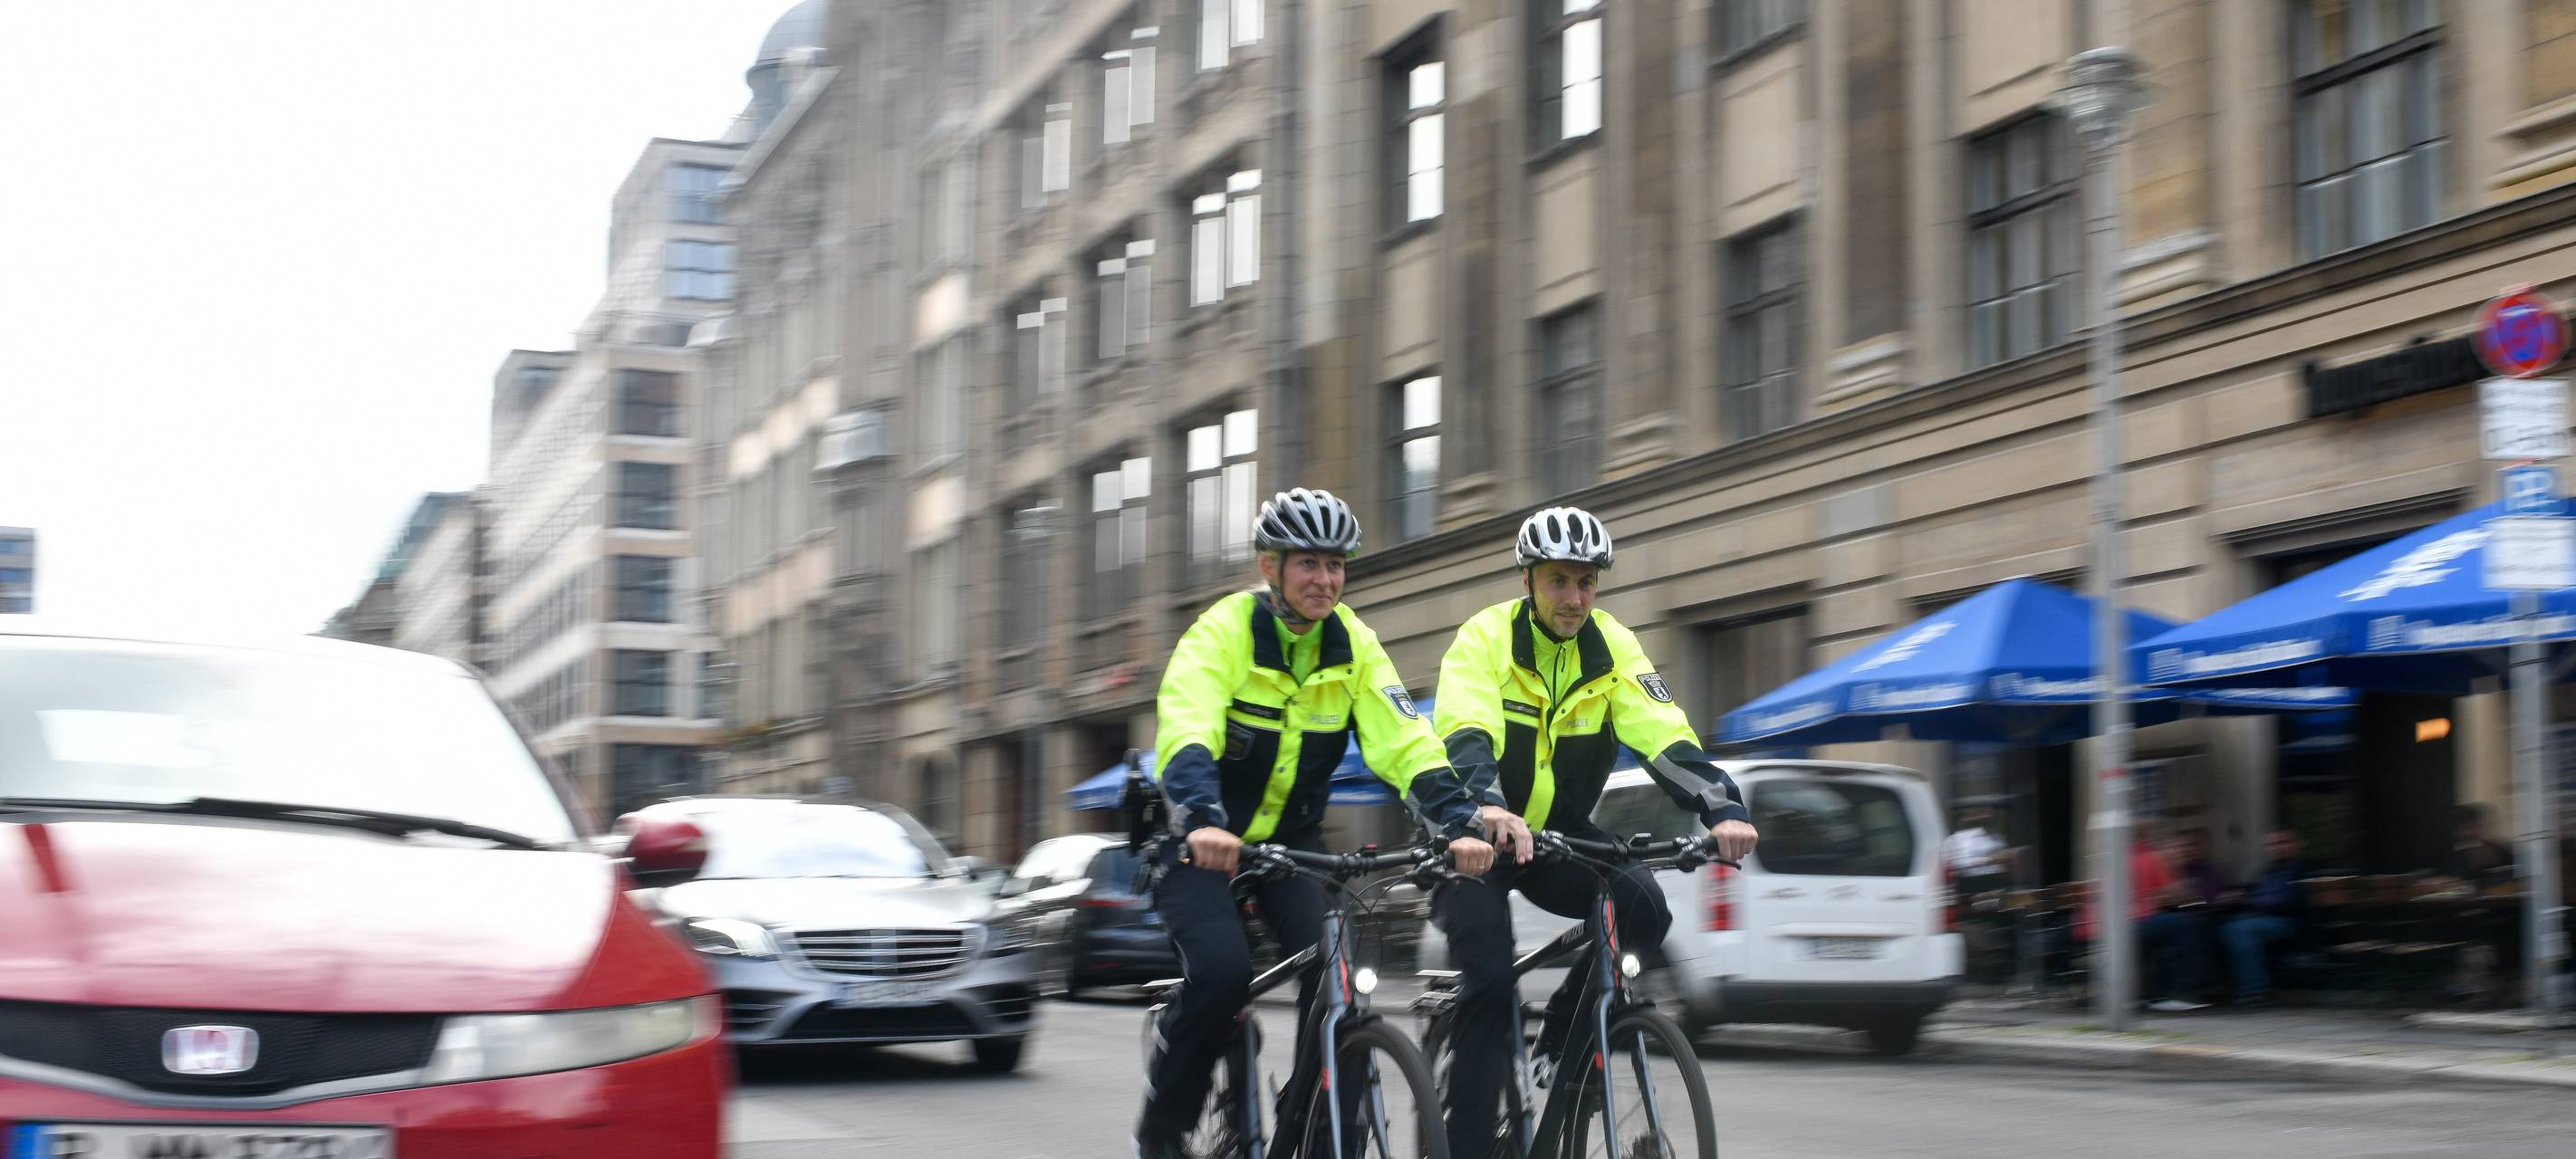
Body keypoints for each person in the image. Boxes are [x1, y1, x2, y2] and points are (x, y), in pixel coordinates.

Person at [1135, 488, 1498, 1159]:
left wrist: (1459, 820)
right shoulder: (1221, 633)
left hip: (1294, 844)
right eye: (1308, 563)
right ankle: (1164, 1125)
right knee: (1219, 974)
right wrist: (1204, 820)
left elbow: (1406, 738)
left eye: (1336, 565)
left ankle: (1315, 1117)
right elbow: (1187, 729)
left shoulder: (1354, 643)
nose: (1325, 580)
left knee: (1338, 975)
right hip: (1203, 837)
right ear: (1269, 567)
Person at [1426, 505, 1761, 1159]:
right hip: (1475, 833)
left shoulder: (1612, 646)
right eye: (1559, 581)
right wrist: (1485, 808)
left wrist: (1722, 806)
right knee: (1491, 983)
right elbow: (1466, 732)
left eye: (1586, 582)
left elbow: (1663, 735)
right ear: (1529, 579)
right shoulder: (1484, 638)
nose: (1575, 598)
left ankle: (1564, 1031)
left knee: (1642, 902)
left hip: (1557, 833)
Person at [2078, 829, 2207, 1012]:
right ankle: (2177, 993)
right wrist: (2176, 867)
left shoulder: (2114, 859)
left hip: (2100, 927)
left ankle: (2152, 995)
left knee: (2166, 931)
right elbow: (2178, 894)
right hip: (2129, 924)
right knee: (2186, 925)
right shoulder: (2150, 857)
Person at [2219, 829, 2310, 1007]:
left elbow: (2290, 901)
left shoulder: (2302, 869)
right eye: (2274, 844)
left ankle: (2255, 991)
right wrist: (2239, 897)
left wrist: (2252, 903)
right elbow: (2255, 893)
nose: (2279, 847)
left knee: (2241, 929)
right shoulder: (2268, 872)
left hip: (2289, 920)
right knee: (2223, 926)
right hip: (2261, 918)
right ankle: (2227, 986)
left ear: (2296, 845)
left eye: (2284, 842)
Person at [2446, 804, 2516, 888]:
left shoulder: (2501, 850)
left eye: (2475, 826)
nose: (2471, 832)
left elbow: (2514, 879)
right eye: (2464, 829)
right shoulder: (2452, 855)